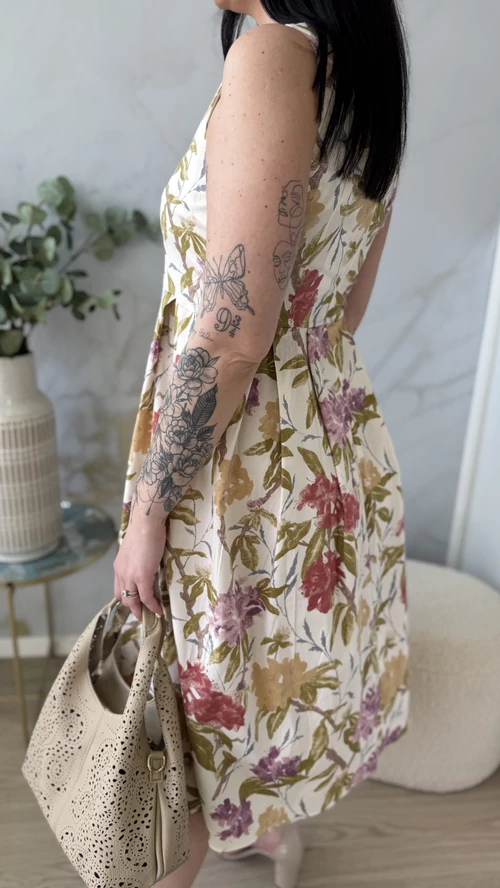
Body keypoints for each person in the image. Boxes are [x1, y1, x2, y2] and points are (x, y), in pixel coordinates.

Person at [114, 1, 410, 886]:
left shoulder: (271, 57)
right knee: (241, 702)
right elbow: (342, 311)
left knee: (173, 755)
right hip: (327, 449)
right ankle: (264, 834)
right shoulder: (367, 74)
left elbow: (233, 332)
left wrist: (149, 510)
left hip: (234, 467)